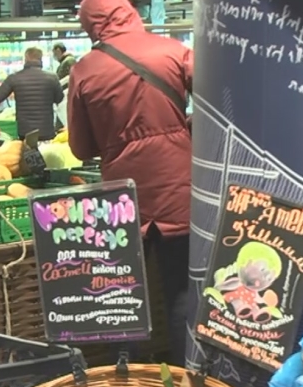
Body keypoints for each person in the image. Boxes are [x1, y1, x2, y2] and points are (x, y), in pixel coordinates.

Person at [67, 0, 192, 366]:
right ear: (130, 12)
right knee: (181, 292)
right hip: (177, 188)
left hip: (122, 199)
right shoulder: (174, 51)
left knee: (118, 292)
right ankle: (187, 386)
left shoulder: (85, 70)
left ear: (90, 25)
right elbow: (219, 105)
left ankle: (125, 382)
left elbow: (80, 147)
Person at [0, 47, 64, 140]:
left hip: (25, 132)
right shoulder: (52, 77)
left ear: (25, 58)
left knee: (28, 153)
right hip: (47, 130)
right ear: (41, 59)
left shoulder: (14, 77)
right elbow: (59, 99)